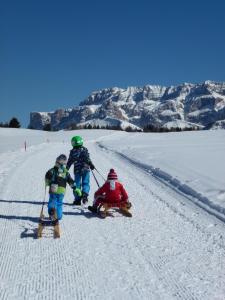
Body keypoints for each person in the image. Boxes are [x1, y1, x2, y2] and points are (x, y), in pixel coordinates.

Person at [45, 154, 78, 220]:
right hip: (62, 190)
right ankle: (59, 216)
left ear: (57, 162)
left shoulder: (52, 170)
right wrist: (75, 188)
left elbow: (47, 177)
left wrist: (47, 183)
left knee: (52, 200)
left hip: (53, 188)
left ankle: (51, 211)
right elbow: (71, 181)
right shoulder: (66, 172)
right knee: (59, 203)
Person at [66, 136, 95, 205]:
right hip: (86, 169)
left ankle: (77, 199)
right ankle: (85, 195)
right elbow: (87, 158)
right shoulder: (84, 149)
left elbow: (70, 161)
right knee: (86, 183)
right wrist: (91, 164)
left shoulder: (73, 152)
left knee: (77, 184)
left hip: (77, 170)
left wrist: (66, 169)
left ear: (73, 143)